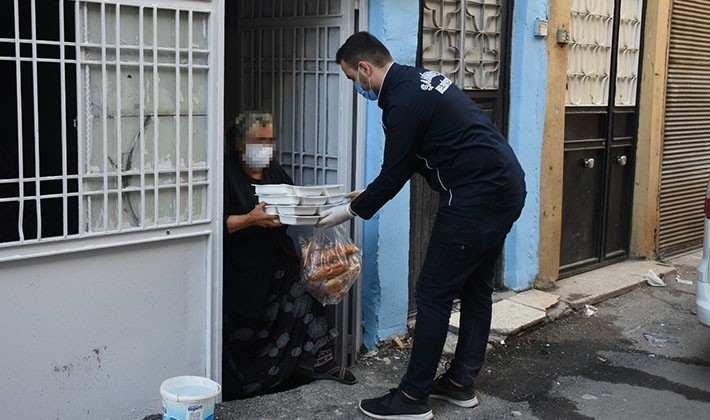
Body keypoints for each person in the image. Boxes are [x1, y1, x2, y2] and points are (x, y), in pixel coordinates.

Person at [316, 32, 526, 419]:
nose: (356, 87)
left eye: (351, 79)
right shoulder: (417, 81)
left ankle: (412, 399)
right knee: (476, 288)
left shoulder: (401, 102)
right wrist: (366, 193)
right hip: (504, 186)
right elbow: (416, 155)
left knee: (432, 294)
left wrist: (350, 212)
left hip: (475, 198)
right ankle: (460, 383)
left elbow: (395, 171)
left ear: (365, 69)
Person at [221, 111, 356, 401]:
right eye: (258, 140)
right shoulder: (225, 175)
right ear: (240, 144)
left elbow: (299, 203)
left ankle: (323, 362)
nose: (265, 147)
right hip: (242, 270)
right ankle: (245, 385)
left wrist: (340, 202)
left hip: (278, 261)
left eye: (269, 140)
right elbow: (217, 224)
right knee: (245, 334)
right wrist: (249, 219)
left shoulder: (274, 172)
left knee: (309, 296)